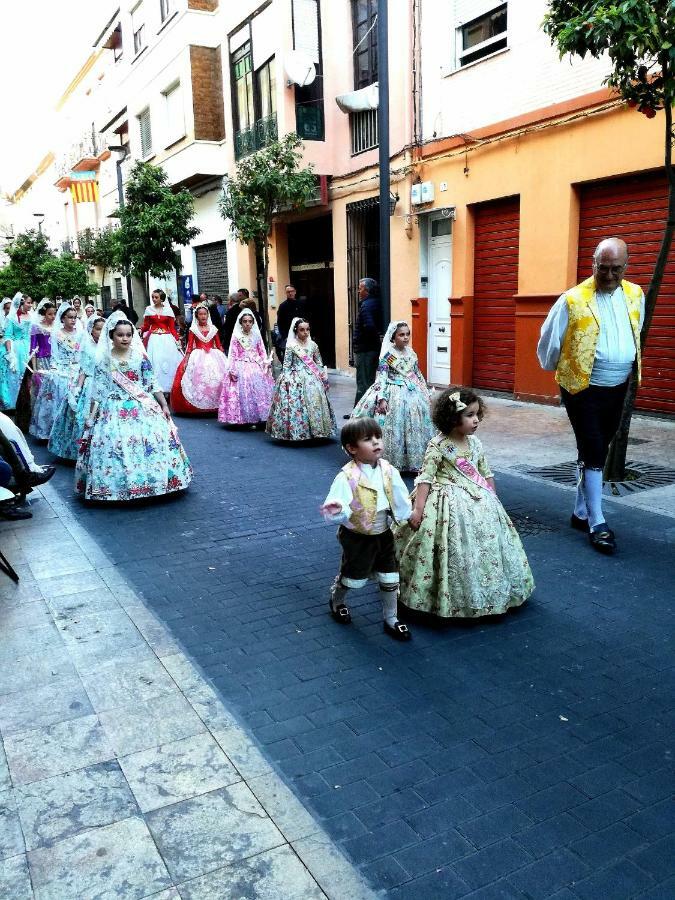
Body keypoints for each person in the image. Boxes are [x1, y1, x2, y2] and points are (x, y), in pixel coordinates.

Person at [537, 237, 644, 555]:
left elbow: (634, 329)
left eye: (616, 269)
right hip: (582, 386)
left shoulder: (635, 294)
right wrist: (564, 368)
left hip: (618, 384)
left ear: (625, 266)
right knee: (595, 447)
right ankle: (597, 521)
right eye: (603, 268)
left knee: (599, 446)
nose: (609, 275)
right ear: (593, 264)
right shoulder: (572, 299)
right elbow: (548, 342)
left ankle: (580, 511)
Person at [394, 388, 534, 620]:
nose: (476, 419)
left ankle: (487, 593)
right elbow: (425, 479)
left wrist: (494, 502)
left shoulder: (475, 444)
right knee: (446, 551)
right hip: (445, 505)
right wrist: (418, 510)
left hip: (479, 502)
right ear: (452, 417)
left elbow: (485, 473)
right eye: (469, 415)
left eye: (477, 414)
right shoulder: (438, 445)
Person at [75, 312, 193, 501]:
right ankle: (115, 487)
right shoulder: (104, 360)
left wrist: (164, 405)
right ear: (111, 336)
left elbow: (152, 382)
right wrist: (91, 416)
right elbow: (98, 391)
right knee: (115, 443)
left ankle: (155, 483)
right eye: (120, 334)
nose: (125, 338)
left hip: (142, 406)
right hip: (113, 408)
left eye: (128, 334)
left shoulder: (140, 357)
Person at [321, 417, 413, 640]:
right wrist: (336, 508)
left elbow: (399, 495)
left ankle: (391, 618)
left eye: (378, 437)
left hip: (383, 533)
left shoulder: (388, 470)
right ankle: (337, 599)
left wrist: (406, 515)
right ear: (352, 448)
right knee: (353, 574)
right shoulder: (347, 476)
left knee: (390, 575)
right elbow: (338, 501)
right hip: (357, 536)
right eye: (368, 439)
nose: (376, 442)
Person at [352, 320, 435, 472]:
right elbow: (382, 377)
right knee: (395, 424)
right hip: (393, 391)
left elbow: (417, 374)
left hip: (412, 391)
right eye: (401, 335)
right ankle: (392, 458)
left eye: (407, 334)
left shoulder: (412, 353)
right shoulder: (388, 356)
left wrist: (425, 391)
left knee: (415, 424)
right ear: (393, 337)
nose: (405, 338)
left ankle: (413, 458)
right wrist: (382, 398)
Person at [266, 317, 336, 441]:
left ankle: (317, 431)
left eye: (307, 329)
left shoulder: (313, 345)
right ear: (296, 331)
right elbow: (287, 365)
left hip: (312, 377)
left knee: (315, 402)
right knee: (297, 405)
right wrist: (286, 379)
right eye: (302, 330)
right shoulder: (291, 346)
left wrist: (322, 374)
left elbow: (318, 362)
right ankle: (297, 431)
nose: (305, 332)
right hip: (295, 377)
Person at [48, 315, 105, 461]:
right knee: (82, 417)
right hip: (90, 385)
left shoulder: (109, 346)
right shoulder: (87, 346)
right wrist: (78, 389)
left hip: (105, 384)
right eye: (98, 329)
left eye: (103, 329)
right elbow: (84, 370)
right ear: (91, 330)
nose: (101, 332)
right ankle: (79, 451)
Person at [30, 301, 81, 441]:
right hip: (61, 368)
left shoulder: (80, 334)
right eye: (70, 317)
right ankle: (51, 431)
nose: (73, 320)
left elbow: (81, 354)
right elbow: (55, 355)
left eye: (75, 317)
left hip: (76, 368)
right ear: (63, 318)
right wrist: (55, 369)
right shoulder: (57, 334)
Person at [218, 309, 274, 427]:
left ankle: (259, 417)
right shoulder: (236, 337)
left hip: (256, 365)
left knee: (259, 391)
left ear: (253, 323)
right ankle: (243, 418)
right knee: (243, 391)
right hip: (241, 365)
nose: (247, 323)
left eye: (250, 321)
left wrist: (265, 363)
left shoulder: (256, 336)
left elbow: (262, 352)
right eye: (245, 321)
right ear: (241, 323)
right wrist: (231, 369)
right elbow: (233, 354)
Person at [170, 303, 228, 415]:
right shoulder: (193, 329)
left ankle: (217, 403)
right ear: (197, 316)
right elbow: (190, 346)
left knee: (217, 378)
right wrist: (186, 359)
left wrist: (224, 357)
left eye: (205, 314)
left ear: (208, 315)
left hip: (214, 355)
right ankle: (198, 405)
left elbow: (219, 344)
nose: (203, 316)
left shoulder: (213, 329)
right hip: (198, 355)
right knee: (197, 379)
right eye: (200, 314)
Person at [15, 299, 57, 434]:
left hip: (55, 362)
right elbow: (33, 349)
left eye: (54, 314)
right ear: (44, 314)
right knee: (42, 394)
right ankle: (41, 424)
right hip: (41, 362)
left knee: (54, 393)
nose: (53, 317)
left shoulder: (57, 328)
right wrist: (35, 369)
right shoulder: (36, 327)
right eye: (50, 314)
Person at [141, 289, 184, 395]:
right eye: (153, 297)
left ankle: (169, 387)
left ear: (162, 299)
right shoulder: (149, 310)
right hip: (154, 339)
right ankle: (157, 388)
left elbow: (172, 328)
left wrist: (177, 339)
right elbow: (146, 325)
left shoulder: (168, 310)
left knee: (169, 361)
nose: (154, 299)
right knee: (156, 361)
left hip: (167, 339)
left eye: (156, 297)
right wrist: (140, 330)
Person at [351, 277, 383, 410]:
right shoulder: (373, 303)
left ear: (367, 290)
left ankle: (359, 412)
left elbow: (369, 327)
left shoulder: (367, 305)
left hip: (365, 350)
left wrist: (366, 342)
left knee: (363, 383)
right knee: (368, 381)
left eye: (360, 288)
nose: (358, 291)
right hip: (370, 348)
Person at [0, 294, 33, 411]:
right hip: (17, 349)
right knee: (17, 375)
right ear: (21, 303)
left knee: (30, 375)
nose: (30, 305)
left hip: (31, 347)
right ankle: (15, 402)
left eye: (31, 303)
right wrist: (10, 353)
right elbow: (8, 336)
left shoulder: (32, 316)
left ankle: (28, 401)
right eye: (28, 303)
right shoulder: (12, 317)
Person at [274, 284, 307, 361]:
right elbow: (280, 322)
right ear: (286, 293)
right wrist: (285, 336)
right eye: (288, 292)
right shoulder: (283, 306)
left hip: (301, 335)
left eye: (292, 291)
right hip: (288, 336)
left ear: (295, 292)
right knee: (290, 357)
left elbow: (305, 319)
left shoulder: (301, 304)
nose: (290, 293)